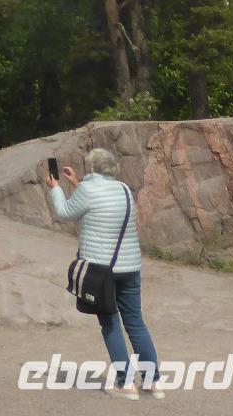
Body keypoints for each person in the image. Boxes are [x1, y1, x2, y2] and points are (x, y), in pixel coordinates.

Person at [48, 147, 161, 398]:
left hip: (102, 270)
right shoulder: (123, 190)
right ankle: (153, 381)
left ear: (92, 168)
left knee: (110, 323)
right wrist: (76, 182)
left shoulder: (89, 190)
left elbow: (65, 213)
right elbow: (100, 208)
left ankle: (125, 382)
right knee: (135, 322)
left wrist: (55, 188)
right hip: (130, 268)